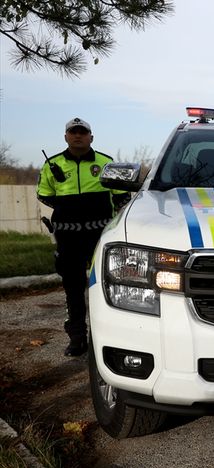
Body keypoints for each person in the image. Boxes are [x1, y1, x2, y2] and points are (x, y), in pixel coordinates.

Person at [36, 118, 129, 357]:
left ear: (91, 137)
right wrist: (71, 209)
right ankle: (77, 338)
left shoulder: (106, 163)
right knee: (73, 288)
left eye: (82, 132)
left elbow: (121, 198)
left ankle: (111, 339)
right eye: (73, 132)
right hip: (68, 237)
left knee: (110, 286)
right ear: (66, 136)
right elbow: (44, 195)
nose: (78, 135)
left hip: (100, 235)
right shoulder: (52, 164)